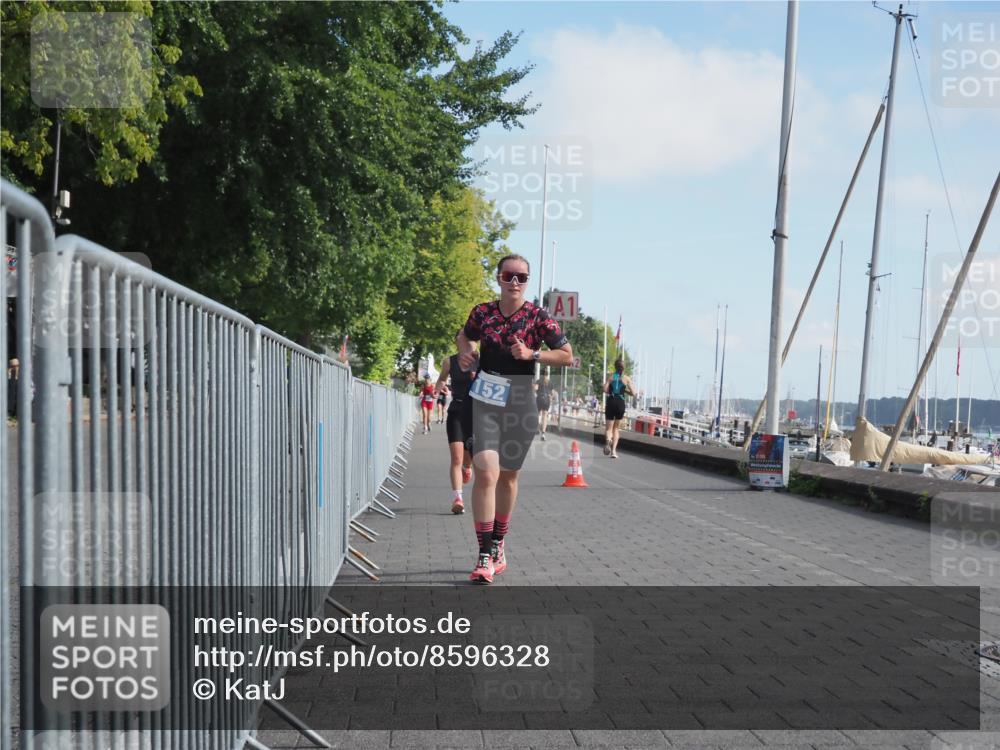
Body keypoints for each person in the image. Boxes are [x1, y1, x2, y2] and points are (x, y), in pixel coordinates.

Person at [457, 254, 573, 584]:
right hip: (486, 396)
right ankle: (483, 553)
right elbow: (464, 335)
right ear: (498, 278)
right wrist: (466, 349)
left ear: (527, 281)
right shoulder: (482, 312)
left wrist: (533, 354)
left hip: (521, 399)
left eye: (522, 277)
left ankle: (499, 543)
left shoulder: (538, 317)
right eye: (509, 276)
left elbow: (567, 355)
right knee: (486, 472)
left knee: (508, 477)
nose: (515, 283)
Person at [435, 354, 474, 514]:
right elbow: (442, 379)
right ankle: (458, 498)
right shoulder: (449, 362)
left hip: (475, 413)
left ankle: (467, 467)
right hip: (456, 411)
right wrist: (437, 390)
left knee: (468, 454)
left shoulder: (481, 359)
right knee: (456, 458)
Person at [604, 358, 634, 458]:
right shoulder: (626, 378)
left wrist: (610, 388)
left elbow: (605, 389)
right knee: (616, 428)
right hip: (620, 402)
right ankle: (613, 452)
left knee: (609, 429)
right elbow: (633, 393)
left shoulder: (611, 377)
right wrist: (624, 391)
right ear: (623, 368)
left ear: (615, 367)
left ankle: (608, 440)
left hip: (611, 401)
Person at [534, 375, 553, 441]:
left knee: (537, 413)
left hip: (539, 398)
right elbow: (551, 394)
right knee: (545, 416)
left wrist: (533, 386)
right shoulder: (550, 382)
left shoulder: (538, 381)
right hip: (547, 399)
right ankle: (543, 434)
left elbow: (535, 389)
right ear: (547, 375)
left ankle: (537, 428)